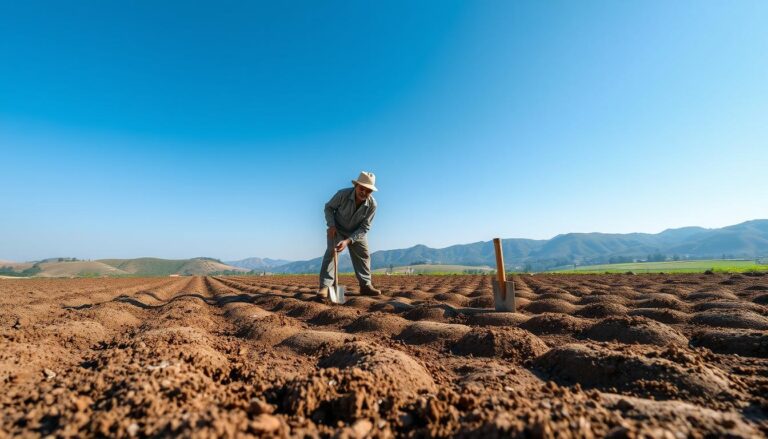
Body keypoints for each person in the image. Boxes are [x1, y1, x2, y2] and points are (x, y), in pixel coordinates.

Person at [318, 171, 382, 298]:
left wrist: (348, 241)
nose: (364, 192)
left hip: (357, 232)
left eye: (368, 191)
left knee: (363, 256)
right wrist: (331, 225)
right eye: (362, 188)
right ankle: (325, 287)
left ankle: (365, 286)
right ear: (356, 186)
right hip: (337, 228)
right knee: (332, 252)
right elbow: (328, 207)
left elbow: (365, 227)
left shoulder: (372, 205)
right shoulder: (342, 194)